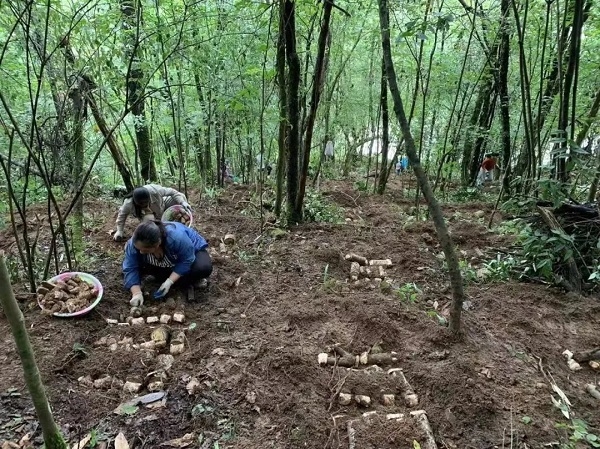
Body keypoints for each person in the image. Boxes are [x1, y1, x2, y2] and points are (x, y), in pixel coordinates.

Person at [123, 220, 212, 304]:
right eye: (139, 249)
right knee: (136, 266)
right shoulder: (135, 243)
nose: (141, 252)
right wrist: (136, 293)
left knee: (202, 268)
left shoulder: (176, 238)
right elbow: (130, 267)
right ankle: (176, 279)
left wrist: (170, 281)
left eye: (146, 250)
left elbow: (187, 260)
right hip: (162, 264)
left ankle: (182, 280)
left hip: (191, 253)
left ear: (158, 243)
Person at [113, 184, 192, 241]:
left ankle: (180, 221)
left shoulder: (155, 191)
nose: (144, 205)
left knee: (181, 196)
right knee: (149, 221)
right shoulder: (128, 203)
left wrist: (183, 202)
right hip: (149, 216)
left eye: (146, 202)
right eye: (141, 203)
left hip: (162, 206)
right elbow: (122, 216)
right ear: (135, 202)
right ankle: (158, 229)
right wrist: (119, 231)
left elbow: (173, 192)